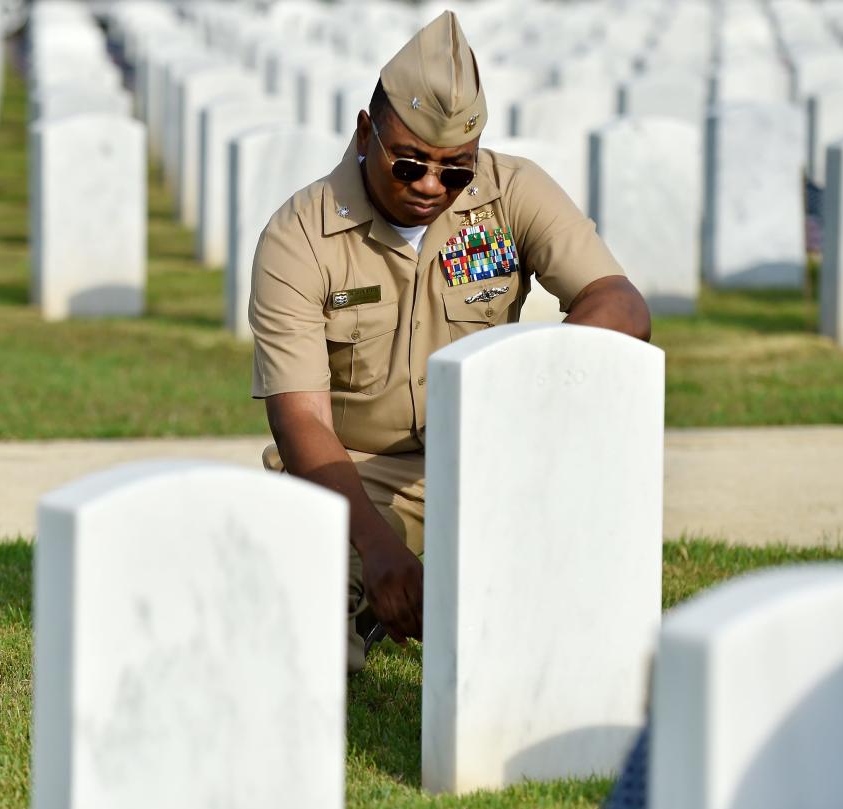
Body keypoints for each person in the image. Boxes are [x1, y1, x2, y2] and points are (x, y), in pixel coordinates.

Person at [248, 10, 651, 673]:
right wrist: (377, 550)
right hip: (357, 469)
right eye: (409, 165)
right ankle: (364, 602)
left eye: (454, 171)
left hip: (493, 449)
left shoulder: (511, 192)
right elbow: (300, 421)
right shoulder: (299, 236)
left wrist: (528, 402)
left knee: (563, 626)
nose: (432, 187)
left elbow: (621, 305)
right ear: (363, 132)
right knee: (295, 638)